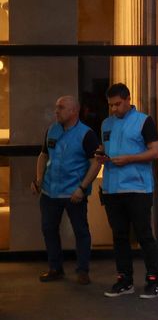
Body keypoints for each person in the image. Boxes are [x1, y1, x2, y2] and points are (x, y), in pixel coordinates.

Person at [98, 83, 158, 299]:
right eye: (111, 105)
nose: (114, 109)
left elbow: (156, 152)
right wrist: (101, 154)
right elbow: (106, 148)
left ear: (128, 99)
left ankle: (155, 281)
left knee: (145, 235)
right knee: (119, 237)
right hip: (112, 188)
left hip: (137, 187)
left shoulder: (144, 121)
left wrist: (129, 159)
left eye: (118, 104)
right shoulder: (106, 124)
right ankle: (124, 280)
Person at [31, 96, 100, 285]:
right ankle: (55, 268)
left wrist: (82, 188)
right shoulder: (52, 130)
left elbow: (95, 163)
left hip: (73, 194)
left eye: (61, 107)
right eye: (56, 107)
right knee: (49, 230)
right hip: (49, 192)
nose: (56, 111)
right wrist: (38, 180)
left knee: (81, 232)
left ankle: (83, 271)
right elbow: (43, 155)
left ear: (73, 111)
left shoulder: (86, 134)